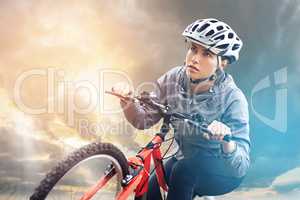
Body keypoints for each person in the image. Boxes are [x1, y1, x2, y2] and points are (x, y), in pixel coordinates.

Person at [113, 18, 250, 200]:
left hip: (223, 171)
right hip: (185, 157)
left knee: (183, 171)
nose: (194, 58)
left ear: (222, 62)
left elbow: (241, 165)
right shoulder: (173, 79)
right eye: (193, 49)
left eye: (207, 54)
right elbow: (143, 119)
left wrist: (227, 141)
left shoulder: (233, 98)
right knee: (152, 186)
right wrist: (127, 100)